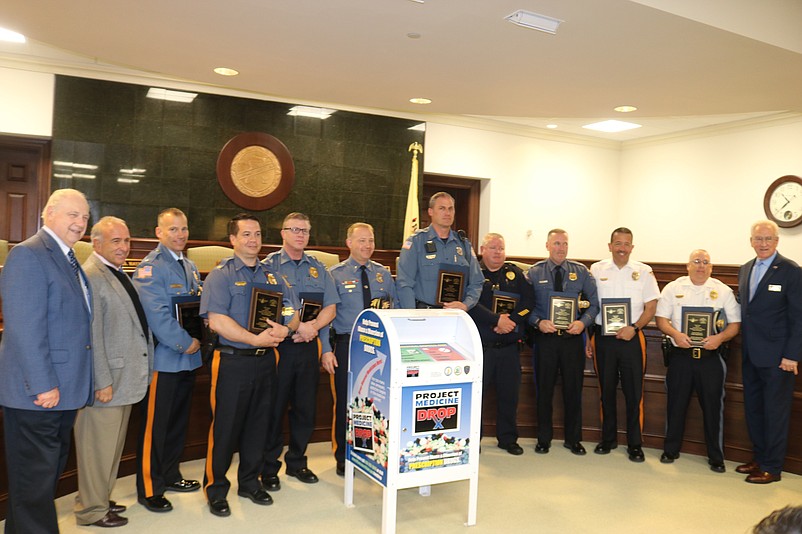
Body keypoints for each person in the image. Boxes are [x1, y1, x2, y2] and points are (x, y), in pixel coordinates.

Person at [0, 188, 94, 533]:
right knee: (34, 483)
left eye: (84, 216)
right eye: (73, 214)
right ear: (48, 213)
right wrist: (43, 384)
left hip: (62, 392)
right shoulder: (29, 254)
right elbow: (24, 328)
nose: (80, 222)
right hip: (38, 395)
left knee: (40, 482)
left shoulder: (68, 258)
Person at [200, 213, 300, 517]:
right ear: (232, 240)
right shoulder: (222, 275)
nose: (253, 240)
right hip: (233, 362)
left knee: (260, 424)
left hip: (267, 361)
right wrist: (252, 339)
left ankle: (249, 482)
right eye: (245, 235)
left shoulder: (273, 276)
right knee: (226, 428)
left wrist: (287, 330)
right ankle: (216, 488)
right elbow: (216, 321)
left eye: (256, 234)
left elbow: (293, 313)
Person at [74, 217, 154, 527]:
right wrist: (101, 381)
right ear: (96, 244)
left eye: (126, 241)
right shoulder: (92, 276)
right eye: (116, 241)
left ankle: (100, 501)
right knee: (96, 451)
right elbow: (91, 336)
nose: (124, 247)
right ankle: (90, 511)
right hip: (107, 383)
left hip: (125, 380)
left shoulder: (117, 273)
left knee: (109, 449)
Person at [261, 212, 339, 491]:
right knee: (274, 410)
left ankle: (297, 462)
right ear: (282, 233)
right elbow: (267, 308)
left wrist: (312, 328)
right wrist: (296, 329)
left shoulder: (319, 268)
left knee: (305, 409)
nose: (300, 235)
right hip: (279, 349)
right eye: (294, 230)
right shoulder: (268, 266)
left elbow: (331, 306)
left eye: (304, 231)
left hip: (308, 348)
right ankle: (268, 467)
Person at [132, 208, 202, 512]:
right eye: (173, 229)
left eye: (184, 229)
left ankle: (171, 474)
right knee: (155, 428)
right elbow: (157, 316)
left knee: (176, 424)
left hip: (187, 361)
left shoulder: (189, 265)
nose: (180, 235)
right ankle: (150, 487)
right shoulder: (151, 268)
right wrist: (186, 343)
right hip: (166, 361)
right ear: (159, 232)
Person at [655, 249, 740, 472]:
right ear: (688, 265)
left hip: (710, 359)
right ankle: (670, 450)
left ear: (711, 267)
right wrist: (675, 334)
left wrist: (719, 338)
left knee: (713, 408)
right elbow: (661, 319)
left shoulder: (723, 291)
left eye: (705, 262)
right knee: (676, 405)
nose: (701, 265)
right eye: (696, 261)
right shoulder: (673, 288)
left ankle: (716, 456)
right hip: (681, 357)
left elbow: (734, 325)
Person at [323, 222, 398, 475]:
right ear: (349, 243)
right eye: (361, 241)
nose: (367, 246)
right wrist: (326, 349)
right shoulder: (334, 274)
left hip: (378, 348)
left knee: (374, 403)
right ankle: (344, 457)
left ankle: (369, 451)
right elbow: (327, 316)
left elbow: (393, 309)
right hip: (347, 345)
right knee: (347, 403)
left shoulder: (383, 274)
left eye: (371, 240)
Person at [736, 220, 802, 484]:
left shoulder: (791, 271)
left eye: (768, 239)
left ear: (776, 241)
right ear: (751, 241)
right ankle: (759, 458)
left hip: (779, 358)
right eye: (758, 239)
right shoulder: (745, 269)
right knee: (754, 409)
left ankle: (772, 467)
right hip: (751, 354)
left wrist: (792, 355)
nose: (763, 244)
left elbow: (799, 317)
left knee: (775, 413)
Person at [589, 227, 659, 462]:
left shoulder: (644, 271)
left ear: (632, 247)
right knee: (605, 391)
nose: (622, 248)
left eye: (626, 244)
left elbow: (651, 307)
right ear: (610, 246)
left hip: (632, 339)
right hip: (603, 339)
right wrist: (589, 336)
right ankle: (607, 439)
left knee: (633, 393)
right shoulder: (597, 270)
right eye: (617, 243)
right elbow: (591, 305)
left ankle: (635, 444)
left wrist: (635, 327)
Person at [527, 228, 599, 456]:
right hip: (545, 340)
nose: (560, 248)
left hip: (572, 340)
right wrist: (538, 322)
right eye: (556, 243)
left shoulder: (581, 272)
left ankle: (573, 439)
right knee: (544, 391)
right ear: (547, 246)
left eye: (564, 244)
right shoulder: (534, 273)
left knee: (573, 390)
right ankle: (543, 439)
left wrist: (583, 322)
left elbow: (594, 304)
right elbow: (524, 307)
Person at [467, 232, 533, 455]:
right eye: (493, 248)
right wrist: (496, 320)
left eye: (501, 248)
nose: (498, 252)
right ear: (482, 250)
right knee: (477, 397)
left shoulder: (515, 273)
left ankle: (507, 438)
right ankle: (474, 440)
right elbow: (470, 304)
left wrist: (511, 321)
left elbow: (529, 301)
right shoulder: (473, 273)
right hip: (482, 349)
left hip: (509, 349)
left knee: (509, 395)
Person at [396, 191, 483, 311]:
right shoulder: (417, 242)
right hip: (424, 314)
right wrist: (411, 315)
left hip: (455, 316)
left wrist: (466, 304)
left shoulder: (463, 244)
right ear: (430, 211)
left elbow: (477, 281)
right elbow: (404, 283)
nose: (447, 213)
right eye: (442, 208)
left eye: (450, 209)